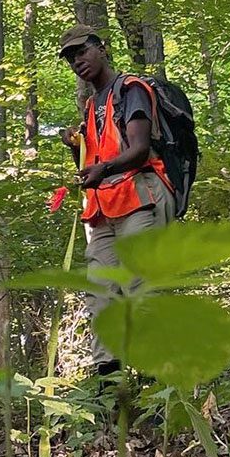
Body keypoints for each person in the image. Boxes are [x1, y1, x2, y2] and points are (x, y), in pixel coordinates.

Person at [57, 24, 176, 378]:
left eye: (82, 51)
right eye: (70, 58)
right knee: (100, 290)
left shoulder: (131, 90)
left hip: (139, 196)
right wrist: (76, 150)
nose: (77, 61)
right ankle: (110, 382)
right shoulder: (92, 106)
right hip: (103, 210)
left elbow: (139, 150)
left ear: (101, 48)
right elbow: (93, 165)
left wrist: (102, 167)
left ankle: (160, 384)